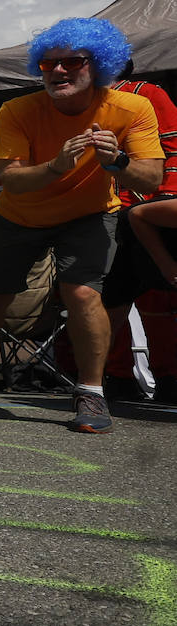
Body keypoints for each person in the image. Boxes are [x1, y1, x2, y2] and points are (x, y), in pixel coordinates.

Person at [0, 18, 162, 434]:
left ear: (98, 64)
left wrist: (116, 162)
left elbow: (152, 179)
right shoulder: (17, 110)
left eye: (71, 62)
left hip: (90, 214)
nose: (59, 71)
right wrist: (57, 165)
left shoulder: (132, 108)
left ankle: (91, 392)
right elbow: (11, 179)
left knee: (83, 293)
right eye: (48, 64)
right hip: (21, 215)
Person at [102, 61, 177, 402]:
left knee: (130, 297)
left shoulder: (144, 93)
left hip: (139, 206)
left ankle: (118, 377)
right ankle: (118, 377)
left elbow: (169, 149)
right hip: (126, 209)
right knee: (121, 298)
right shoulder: (142, 93)